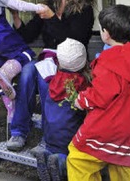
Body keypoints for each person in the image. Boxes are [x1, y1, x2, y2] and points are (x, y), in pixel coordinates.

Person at [67, 5, 130, 181]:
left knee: (79, 160)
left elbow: (100, 94)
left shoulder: (108, 61)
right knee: (128, 173)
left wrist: (81, 101)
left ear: (105, 34)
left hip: (108, 129)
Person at [7, 0, 97, 151]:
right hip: (47, 58)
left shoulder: (85, 8)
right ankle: (18, 132)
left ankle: (49, 138)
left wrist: (51, 18)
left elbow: (75, 41)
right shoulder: (49, 5)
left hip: (71, 62)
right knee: (27, 71)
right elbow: (28, 35)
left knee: (44, 77)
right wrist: (16, 17)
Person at [32, 38, 90, 181]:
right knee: (69, 153)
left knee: (54, 146)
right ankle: (61, 162)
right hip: (68, 138)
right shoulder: (80, 82)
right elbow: (86, 106)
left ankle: (47, 155)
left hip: (50, 136)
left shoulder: (54, 80)